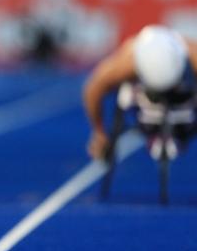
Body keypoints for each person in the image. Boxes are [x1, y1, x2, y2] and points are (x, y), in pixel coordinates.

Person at [83, 24, 197, 160]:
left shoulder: (192, 56)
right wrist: (99, 132)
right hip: (142, 94)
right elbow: (93, 89)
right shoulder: (126, 63)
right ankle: (146, 102)